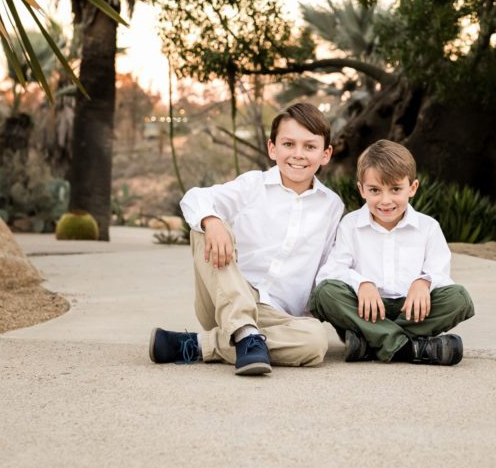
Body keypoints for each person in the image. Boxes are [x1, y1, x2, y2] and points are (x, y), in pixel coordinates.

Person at [149, 102, 344, 376]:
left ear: (325, 154)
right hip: (224, 297)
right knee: (204, 225)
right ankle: (242, 328)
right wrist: (213, 221)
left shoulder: (332, 206)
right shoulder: (253, 185)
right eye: (288, 144)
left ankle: (201, 344)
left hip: (274, 315)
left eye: (309, 147)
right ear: (272, 148)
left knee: (314, 342)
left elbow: (325, 267)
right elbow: (196, 198)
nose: (298, 154)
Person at [309, 140, 475, 365]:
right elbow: (331, 272)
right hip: (365, 309)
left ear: (412, 188)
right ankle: (410, 348)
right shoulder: (350, 224)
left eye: (395, 189)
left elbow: (440, 272)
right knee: (325, 293)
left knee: (459, 298)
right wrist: (362, 283)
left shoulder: (428, 227)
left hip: (412, 311)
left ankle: (370, 341)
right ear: (362, 190)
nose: (385, 201)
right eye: (375, 190)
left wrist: (423, 282)